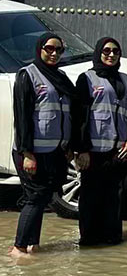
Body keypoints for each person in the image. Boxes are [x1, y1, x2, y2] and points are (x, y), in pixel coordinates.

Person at [9, 33, 76, 258]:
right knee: (34, 198)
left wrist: (68, 146)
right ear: (40, 49)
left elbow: (70, 113)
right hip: (32, 152)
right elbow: (23, 117)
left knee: (44, 198)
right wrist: (27, 153)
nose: (54, 53)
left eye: (59, 50)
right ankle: (18, 248)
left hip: (54, 151)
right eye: (49, 48)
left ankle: (33, 245)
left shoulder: (62, 77)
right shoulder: (27, 75)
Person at [74, 37, 127, 246]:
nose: (111, 55)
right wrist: (81, 150)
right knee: (91, 197)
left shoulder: (126, 80)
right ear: (98, 53)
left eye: (115, 52)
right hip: (93, 151)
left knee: (115, 197)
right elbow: (79, 117)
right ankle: (89, 239)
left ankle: (112, 238)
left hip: (118, 150)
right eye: (106, 51)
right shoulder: (87, 79)